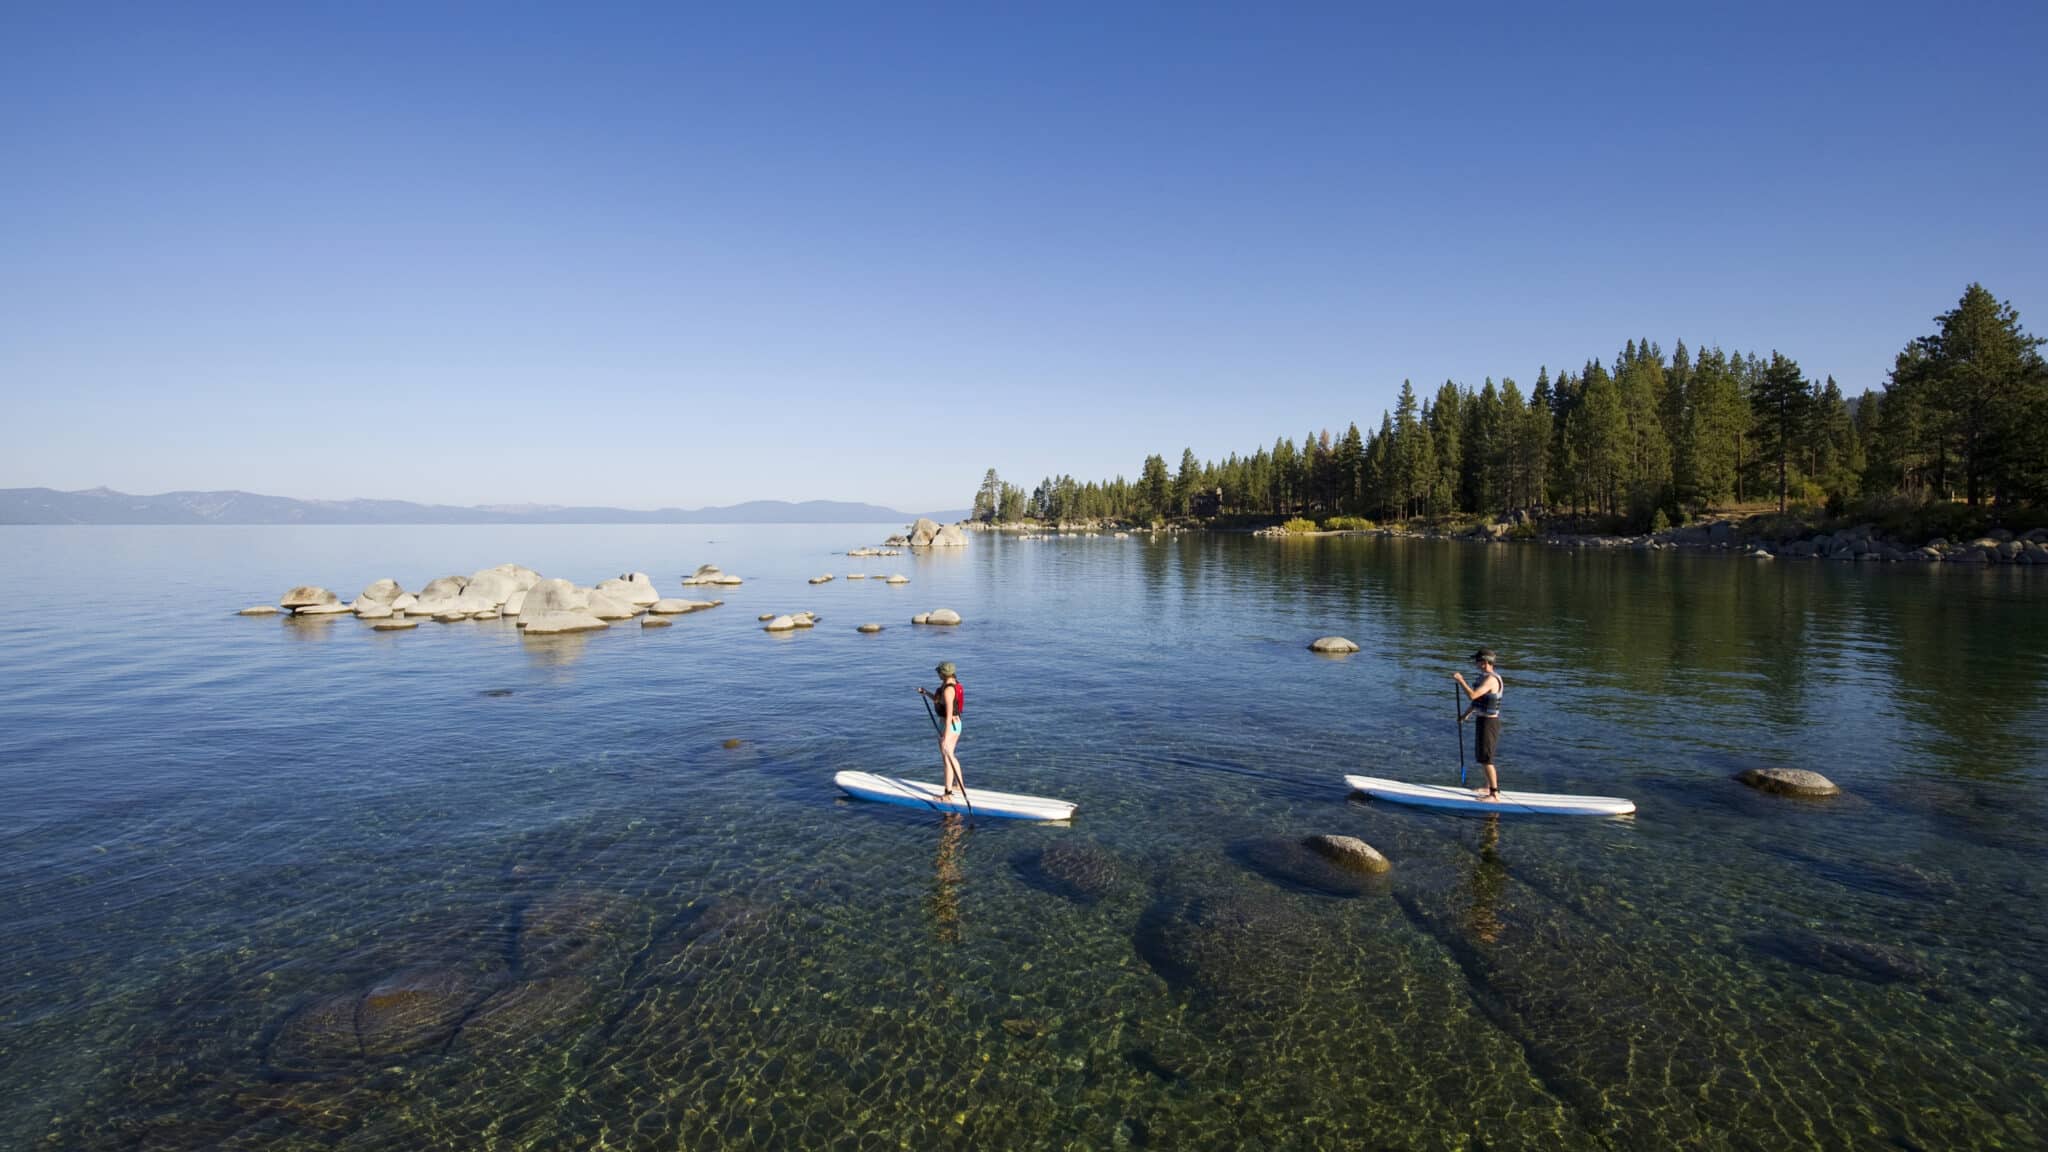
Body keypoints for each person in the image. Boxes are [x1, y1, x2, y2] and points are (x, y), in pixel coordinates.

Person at [1454, 648, 1505, 800]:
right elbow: (1478, 701)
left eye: (1477, 660)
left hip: (1490, 722)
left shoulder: (1491, 680)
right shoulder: (1484, 677)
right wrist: (1465, 715)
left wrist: (1461, 680)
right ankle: (1488, 786)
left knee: (1486, 758)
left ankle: (1494, 794)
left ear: (1485, 662)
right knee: (1482, 757)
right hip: (1482, 719)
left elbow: (1473, 695)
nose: (1475, 663)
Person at [916, 661, 966, 800]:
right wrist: (926, 693)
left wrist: (946, 736)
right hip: (954, 724)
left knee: (946, 757)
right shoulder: (952, 684)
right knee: (950, 755)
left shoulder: (949, 690)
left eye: (939, 672)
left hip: (950, 725)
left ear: (943, 673)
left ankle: (948, 794)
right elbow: (940, 701)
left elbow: (949, 713)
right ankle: (959, 785)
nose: (937, 674)